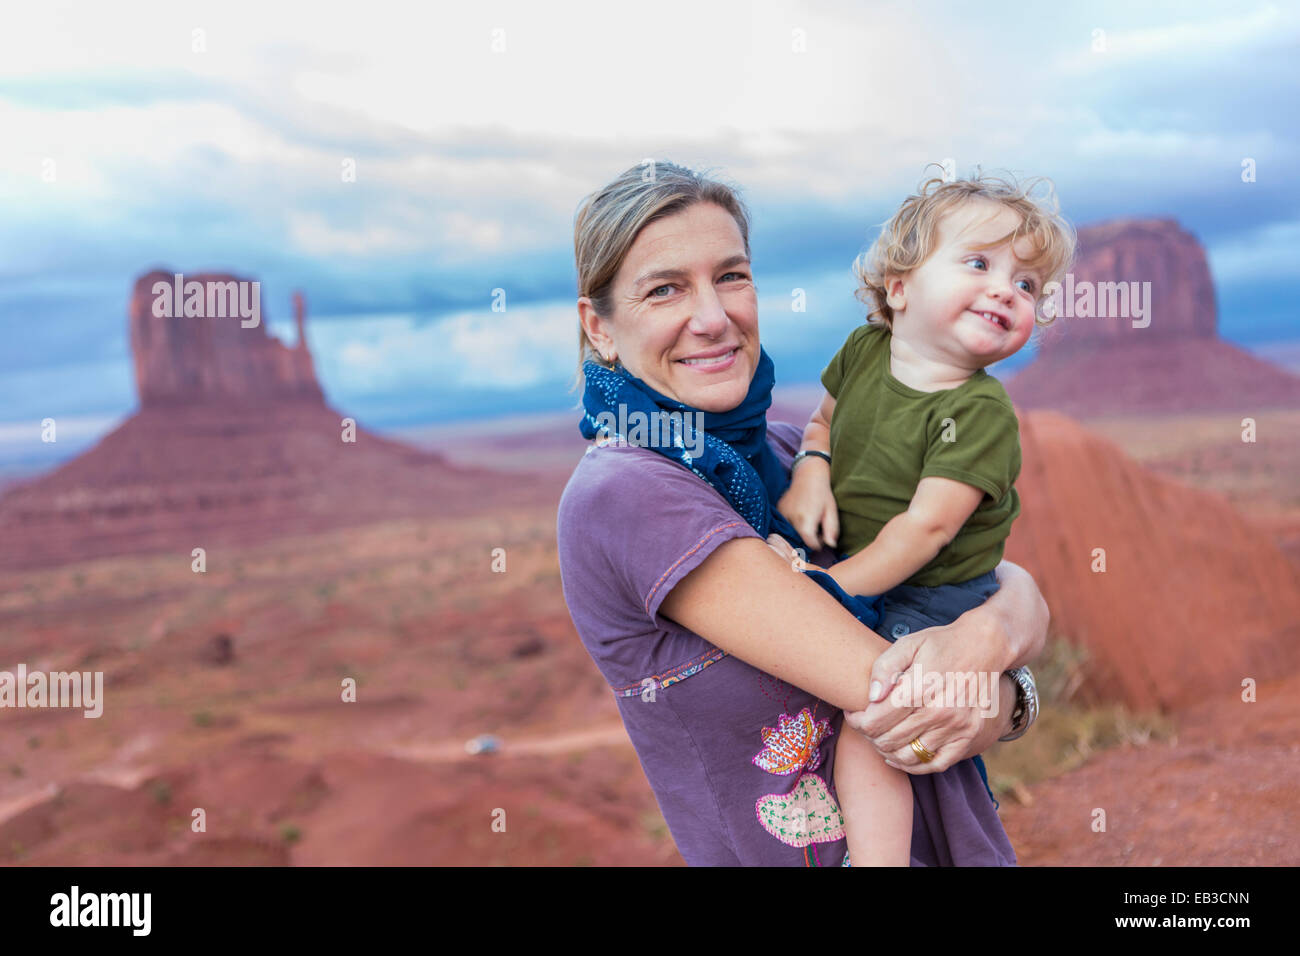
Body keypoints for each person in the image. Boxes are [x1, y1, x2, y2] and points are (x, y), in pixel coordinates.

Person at [555, 160, 1047, 866]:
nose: (713, 316)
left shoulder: (795, 453)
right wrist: (1007, 658)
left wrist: (995, 631)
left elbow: (983, 577)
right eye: (665, 289)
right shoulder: (626, 493)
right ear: (598, 328)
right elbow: (896, 698)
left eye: (731, 276)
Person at [771, 170, 1075, 866]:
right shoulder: (861, 352)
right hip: (865, 569)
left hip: (933, 592)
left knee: (877, 711)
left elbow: (926, 530)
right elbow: (822, 424)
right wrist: (813, 469)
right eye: (979, 263)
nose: (1007, 288)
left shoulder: (980, 413)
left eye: (1027, 285)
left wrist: (826, 592)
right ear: (900, 287)